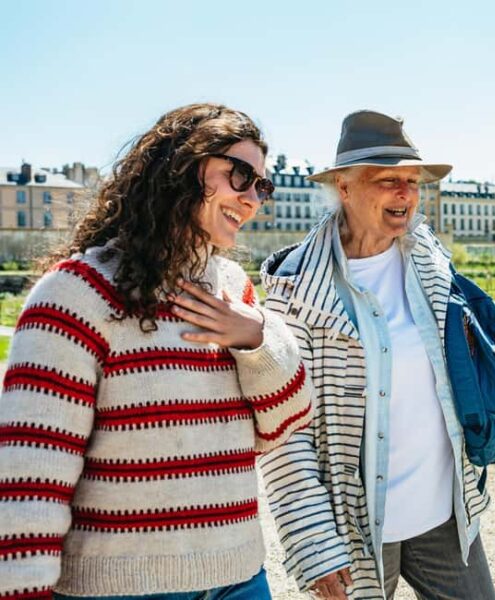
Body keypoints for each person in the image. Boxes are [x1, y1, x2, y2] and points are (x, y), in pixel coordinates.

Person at [0, 103, 314, 599]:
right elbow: (29, 476)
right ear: (182, 169)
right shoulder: (77, 293)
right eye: (241, 176)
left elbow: (282, 423)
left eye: (263, 186)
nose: (254, 199)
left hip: (240, 580)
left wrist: (257, 338)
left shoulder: (233, 288)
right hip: (124, 590)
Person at [259, 110, 495, 599]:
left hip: (444, 513)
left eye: (412, 180)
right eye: (388, 181)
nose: (406, 193)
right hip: (357, 528)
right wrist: (314, 545)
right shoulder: (294, 290)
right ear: (343, 187)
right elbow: (287, 430)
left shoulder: (429, 257)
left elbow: (476, 362)